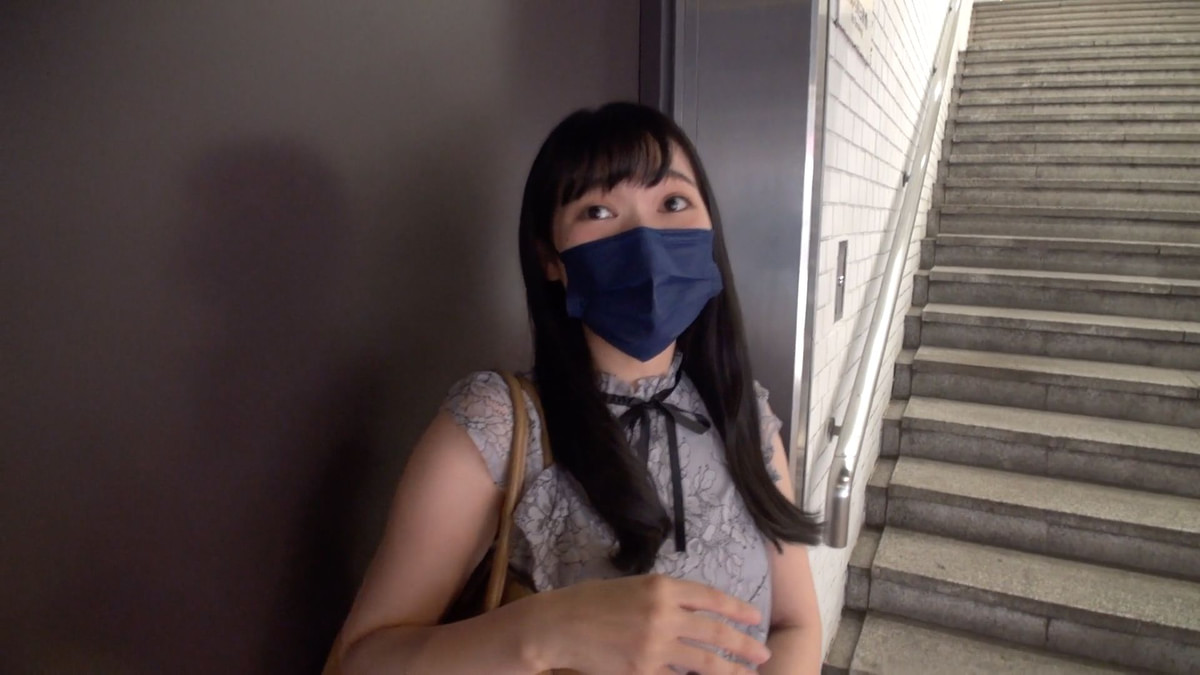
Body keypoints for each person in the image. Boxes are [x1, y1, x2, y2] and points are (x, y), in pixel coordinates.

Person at [327, 102, 824, 674]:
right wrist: (543, 632)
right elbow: (358, 661)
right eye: (598, 210)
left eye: (672, 203)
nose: (645, 239)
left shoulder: (745, 413)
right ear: (551, 259)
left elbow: (796, 624)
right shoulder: (497, 421)